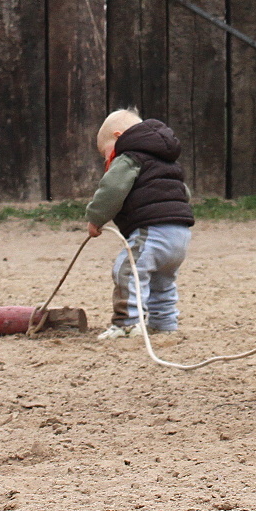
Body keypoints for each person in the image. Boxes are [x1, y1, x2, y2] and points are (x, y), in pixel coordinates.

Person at [85, 109, 195, 340]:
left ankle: (127, 323)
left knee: (127, 269)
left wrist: (96, 217)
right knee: (162, 281)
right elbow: (183, 192)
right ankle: (164, 323)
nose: (106, 160)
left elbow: (113, 189)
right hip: (180, 234)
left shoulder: (129, 158)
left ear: (118, 136)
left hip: (151, 230)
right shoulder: (166, 160)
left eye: (105, 153)